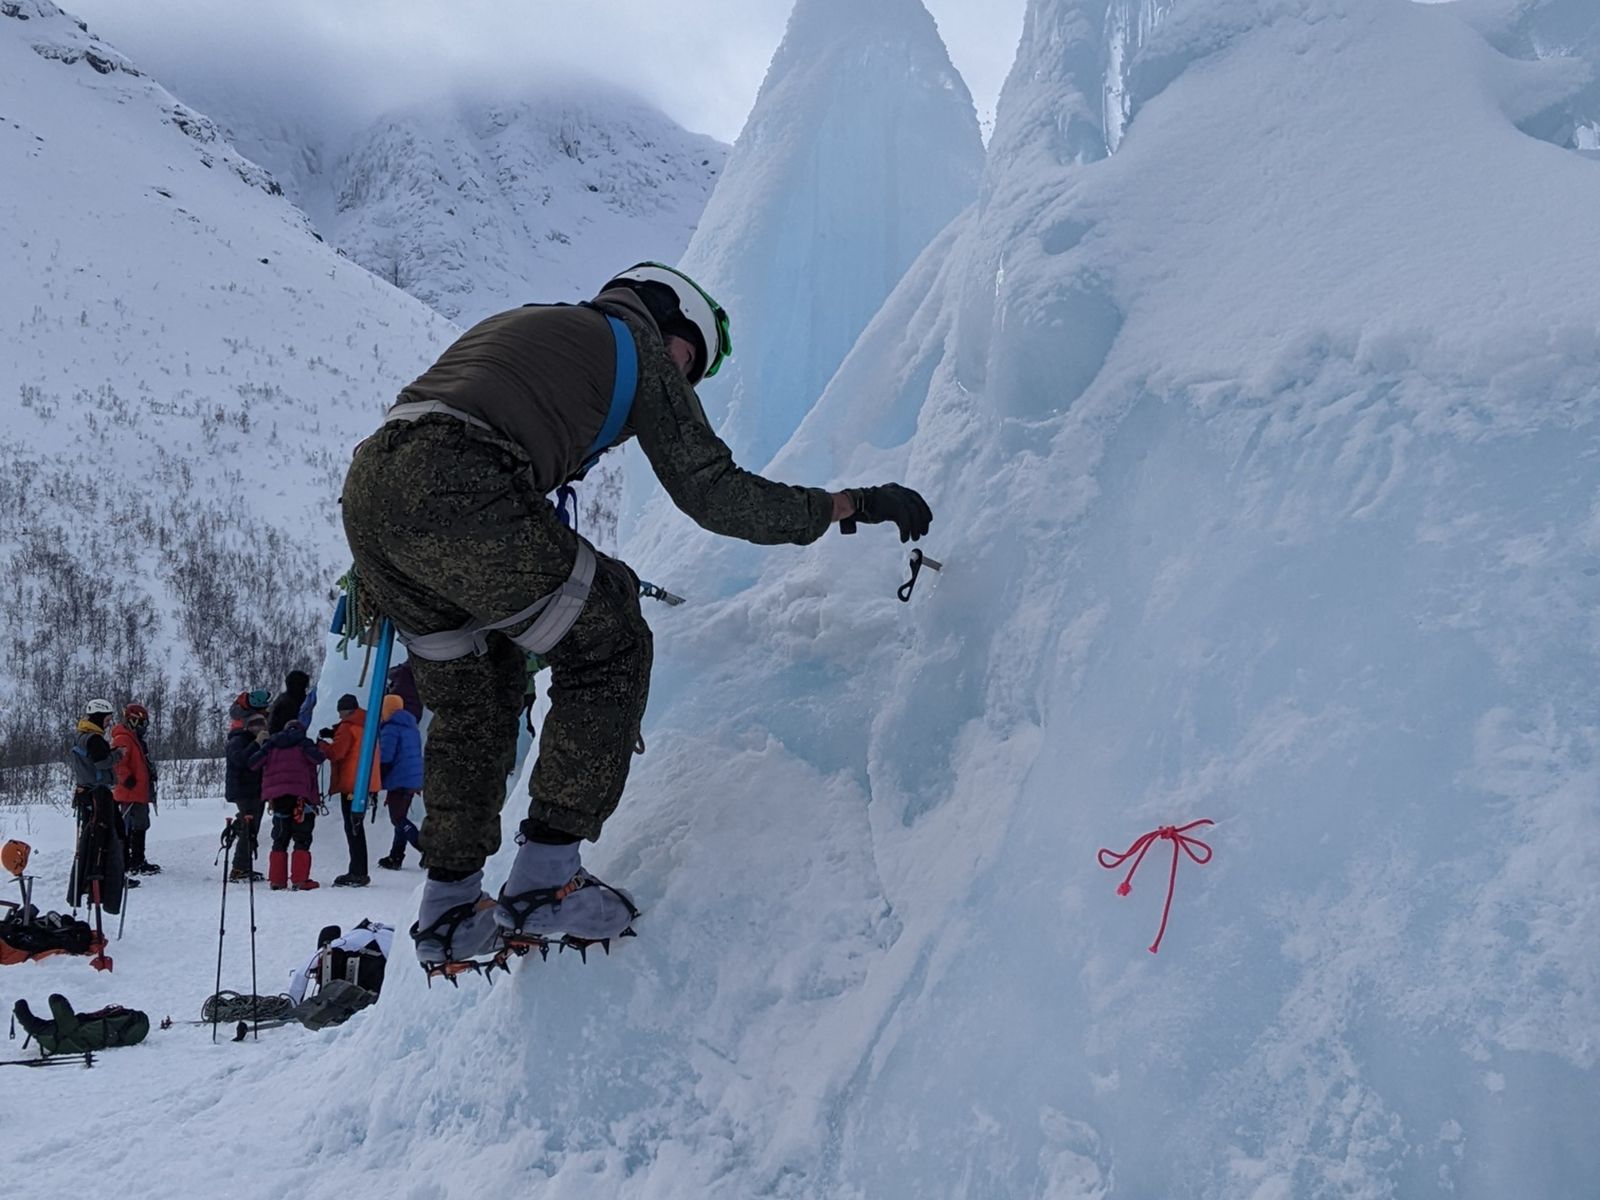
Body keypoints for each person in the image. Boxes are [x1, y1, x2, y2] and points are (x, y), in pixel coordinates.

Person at [340, 261, 933, 971]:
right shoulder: (634, 343)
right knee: (610, 639)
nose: (683, 384)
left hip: (374, 493)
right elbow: (714, 493)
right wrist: (848, 505)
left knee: (478, 698)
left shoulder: (538, 324)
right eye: (690, 364)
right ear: (669, 320)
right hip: (459, 479)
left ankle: (450, 909)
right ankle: (546, 881)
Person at [66, 699, 129, 914]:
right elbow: (102, 762)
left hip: (85, 793)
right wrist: (118, 754)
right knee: (101, 838)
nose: (109, 723)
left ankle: (88, 883)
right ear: (99, 718)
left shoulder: (81, 736)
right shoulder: (95, 739)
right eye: (107, 719)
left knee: (90, 839)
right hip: (97, 795)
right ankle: (100, 881)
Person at [248, 719, 326, 891]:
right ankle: (299, 880)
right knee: (302, 837)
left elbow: (253, 763)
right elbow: (318, 759)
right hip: (301, 798)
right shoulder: (303, 743)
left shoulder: (272, 744)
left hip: (278, 799)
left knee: (280, 838)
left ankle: (277, 880)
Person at [316, 695, 381, 888]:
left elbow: (337, 753)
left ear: (344, 711)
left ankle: (358, 871)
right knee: (356, 826)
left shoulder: (346, 727)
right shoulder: (366, 724)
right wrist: (335, 732)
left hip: (351, 782)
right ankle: (359, 870)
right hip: (365, 782)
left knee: (352, 828)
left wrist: (322, 745)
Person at [110, 703, 159, 876]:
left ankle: (137, 859)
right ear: (133, 721)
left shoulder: (136, 740)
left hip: (139, 790)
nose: (144, 728)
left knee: (141, 825)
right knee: (132, 826)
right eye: (142, 724)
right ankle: (132, 861)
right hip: (129, 792)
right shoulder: (123, 739)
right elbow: (117, 762)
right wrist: (126, 778)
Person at [375, 694, 423, 871]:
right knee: (400, 817)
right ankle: (396, 856)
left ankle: (425, 849)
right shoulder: (411, 727)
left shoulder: (391, 728)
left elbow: (386, 757)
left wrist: (378, 778)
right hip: (412, 779)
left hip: (398, 778)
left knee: (398, 818)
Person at [225, 712, 269, 882]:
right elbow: (240, 761)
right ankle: (239, 868)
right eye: (256, 724)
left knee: (250, 826)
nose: (260, 728)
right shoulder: (238, 740)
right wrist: (257, 744)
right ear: (248, 726)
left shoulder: (249, 740)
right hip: (244, 791)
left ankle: (242, 864)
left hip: (254, 790)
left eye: (262, 724)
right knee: (249, 827)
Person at [268, 670, 311, 735]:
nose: (305, 689)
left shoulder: (282, 699)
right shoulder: (288, 703)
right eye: (304, 686)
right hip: (286, 739)